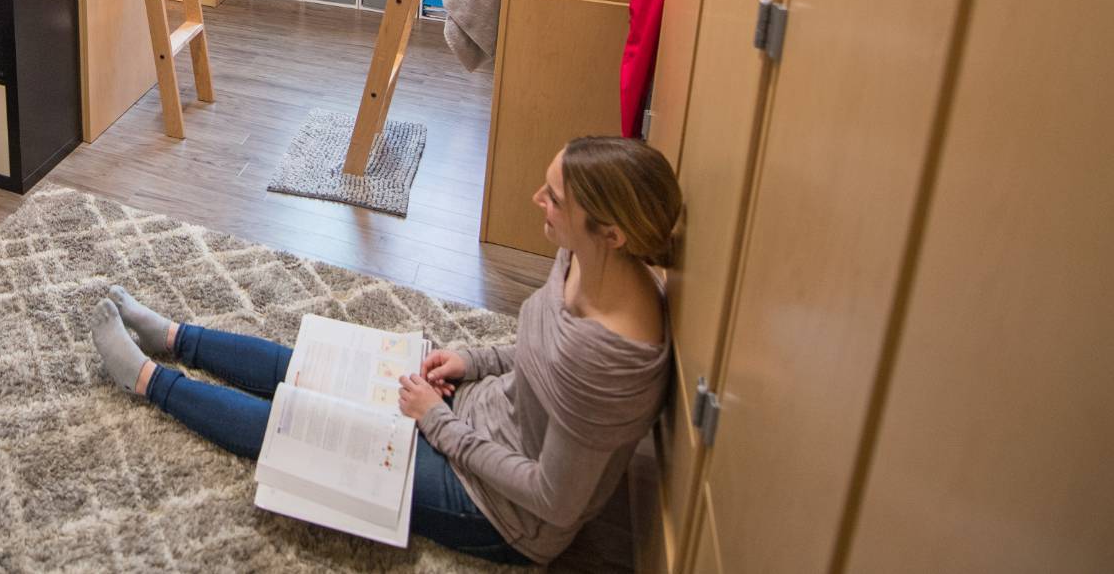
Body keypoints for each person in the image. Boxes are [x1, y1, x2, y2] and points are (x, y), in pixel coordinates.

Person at [87, 136, 680, 565]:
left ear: (613, 232)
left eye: (553, 198)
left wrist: (437, 422)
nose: (536, 200)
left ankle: (144, 380)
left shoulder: (608, 366)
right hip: (478, 414)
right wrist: (472, 360)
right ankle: (172, 337)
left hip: (501, 510)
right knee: (311, 366)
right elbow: (536, 349)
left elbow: (552, 498)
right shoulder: (584, 254)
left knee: (307, 430)